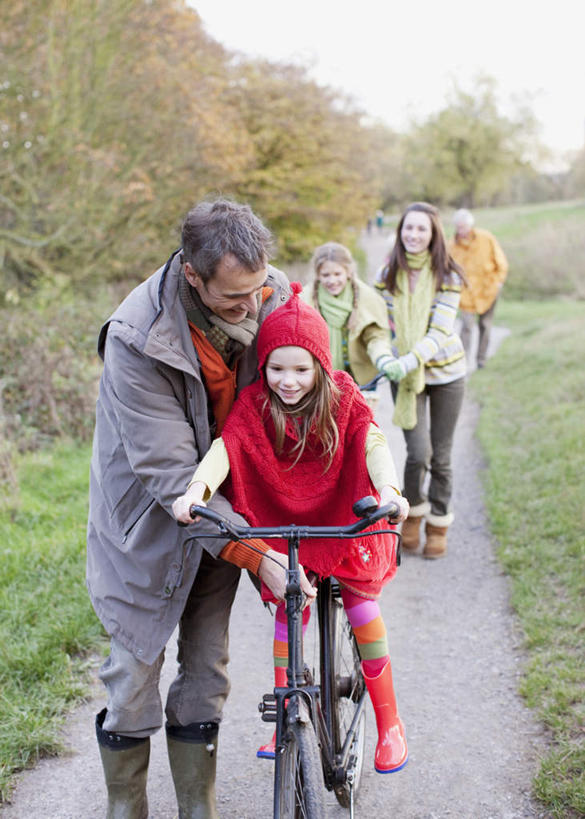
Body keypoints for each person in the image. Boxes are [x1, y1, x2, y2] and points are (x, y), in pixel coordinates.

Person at [86, 198, 315, 819]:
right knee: (134, 677)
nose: (252, 307)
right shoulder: (138, 338)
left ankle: (198, 810)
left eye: (259, 288)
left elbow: (311, 382)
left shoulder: (268, 294)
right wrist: (258, 554)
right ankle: (124, 808)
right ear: (194, 275)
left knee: (206, 671)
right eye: (233, 299)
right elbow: (170, 475)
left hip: (227, 517)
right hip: (149, 525)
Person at [173, 284, 410, 775]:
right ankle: (285, 712)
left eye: (301, 369)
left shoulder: (342, 394)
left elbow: (373, 441)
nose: (288, 381)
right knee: (290, 601)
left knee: (362, 604)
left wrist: (389, 491)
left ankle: (390, 722)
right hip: (289, 521)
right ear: (264, 366)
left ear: (321, 366)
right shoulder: (255, 403)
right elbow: (227, 447)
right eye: (276, 368)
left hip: (342, 513)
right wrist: (197, 489)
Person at [379, 202, 466, 558]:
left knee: (441, 457)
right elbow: (381, 326)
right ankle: (412, 513)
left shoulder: (448, 275)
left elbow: (440, 331)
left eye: (421, 229)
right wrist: (385, 356)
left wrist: (410, 359)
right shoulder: (388, 274)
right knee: (418, 453)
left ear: (433, 235)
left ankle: (438, 523)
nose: (414, 235)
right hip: (403, 373)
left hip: (446, 374)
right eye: (408, 228)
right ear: (400, 232)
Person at [301, 242, 396, 407]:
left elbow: (376, 336)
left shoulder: (366, 298)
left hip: (360, 380)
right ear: (317, 274)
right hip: (320, 379)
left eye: (338, 274)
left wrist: (383, 357)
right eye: (326, 275)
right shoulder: (304, 300)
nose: (332, 280)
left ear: (348, 272)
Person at [448, 208, 509, 370]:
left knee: (485, 325)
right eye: (458, 227)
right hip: (466, 294)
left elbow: (501, 262)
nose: (461, 231)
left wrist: (498, 283)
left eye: (464, 227)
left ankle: (481, 360)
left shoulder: (486, 238)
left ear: (470, 225)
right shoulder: (452, 246)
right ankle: (462, 360)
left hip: (488, 289)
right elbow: (448, 269)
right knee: (466, 326)